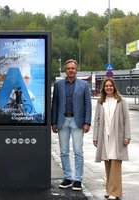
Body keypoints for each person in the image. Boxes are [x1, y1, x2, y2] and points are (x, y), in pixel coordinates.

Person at [51, 59, 92, 191]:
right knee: (63, 151)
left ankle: (78, 179)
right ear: (65, 70)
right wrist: (53, 122)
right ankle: (68, 177)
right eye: (68, 68)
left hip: (77, 122)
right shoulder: (58, 85)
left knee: (78, 152)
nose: (70, 70)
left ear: (76, 70)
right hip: (62, 121)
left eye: (73, 68)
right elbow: (55, 104)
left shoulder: (84, 85)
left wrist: (87, 122)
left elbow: (88, 105)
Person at [93, 78, 131, 200]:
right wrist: (95, 137)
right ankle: (109, 190)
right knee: (108, 163)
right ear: (103, 88)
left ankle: (115, 192)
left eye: (110, 86)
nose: (108, 88)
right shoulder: (100, 102)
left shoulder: (121, 101)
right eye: (106, 86)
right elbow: (97, 120)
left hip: (117, 137)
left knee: (115, 163)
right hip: (105, 137)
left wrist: (127, 136)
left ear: (114, 87)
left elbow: (126, 120)